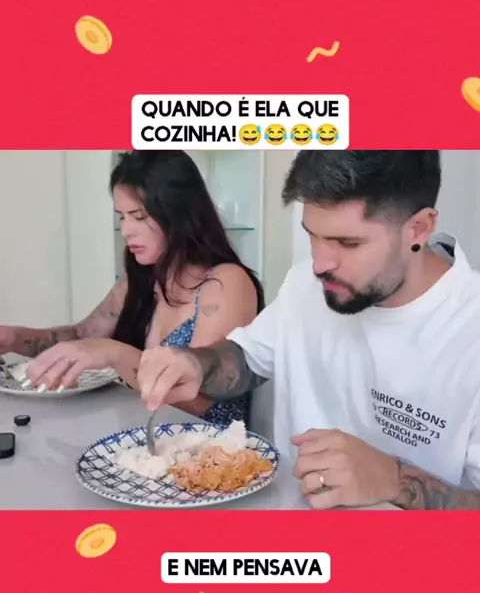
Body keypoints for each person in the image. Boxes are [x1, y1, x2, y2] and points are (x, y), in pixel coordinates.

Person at [136, 150, 480, 510]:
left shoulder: (468, 327)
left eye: (348, 243)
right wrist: (196, 364)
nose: (320, 264)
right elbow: (246, 359)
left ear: (419, 228)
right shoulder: (305, 284)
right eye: (313, 235)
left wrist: (393, 481)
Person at [0, 151, 264, 427]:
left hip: (210, 447)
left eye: (138, 216)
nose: (126, 231)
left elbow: (197, 401)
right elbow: (82, 337)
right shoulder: (142, 275)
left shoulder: (226, 282)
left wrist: (113, 353)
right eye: (122, 217)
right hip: (143, 435)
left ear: (178, 212)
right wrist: (13, 338)